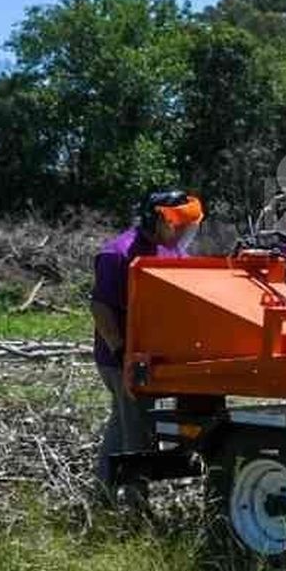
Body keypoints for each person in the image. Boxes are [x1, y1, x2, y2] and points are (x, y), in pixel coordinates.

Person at [89, 190, 204, 499]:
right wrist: (122, 351)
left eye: (188, 228)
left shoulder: (171, 251)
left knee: (124, 420)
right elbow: (100, 308)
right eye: (177, 227)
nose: (183, 234)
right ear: (156, 221)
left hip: (152, 354)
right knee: (138, 429)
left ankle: (104, 493)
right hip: (121, 357)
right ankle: (134, 502)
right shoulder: (117, 254)